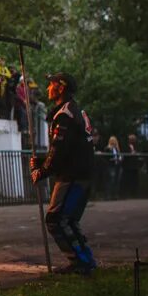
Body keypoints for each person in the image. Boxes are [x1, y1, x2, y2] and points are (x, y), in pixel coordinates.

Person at [30, 72, 97, 276]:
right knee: (67, 220)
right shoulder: (71, 111)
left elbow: (60, 151)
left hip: (73, 176)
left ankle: (80, 261)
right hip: (79, 172)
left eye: (51, 84)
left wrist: (42, 171)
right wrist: (43, 162)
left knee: (56, 219)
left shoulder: (65, 115)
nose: (48, 88)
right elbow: (64, 149)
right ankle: (84, 259)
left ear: (61, 88)